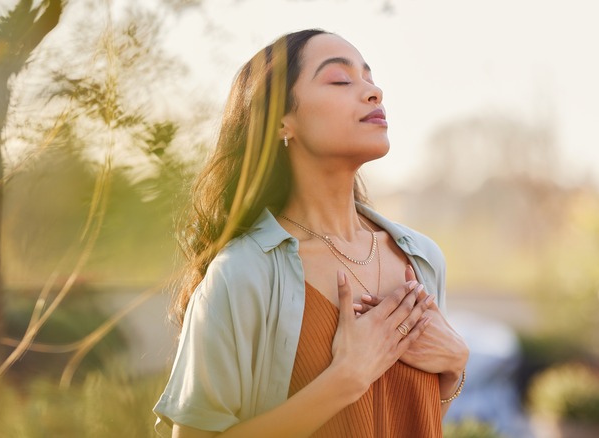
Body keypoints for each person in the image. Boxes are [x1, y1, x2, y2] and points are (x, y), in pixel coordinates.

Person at [153, 28, 469, 438]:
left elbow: (413, 416)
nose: (374, 92)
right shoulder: (242, 274)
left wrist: (455, 368)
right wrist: (345, 380)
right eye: (341, 80)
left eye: (370, 78)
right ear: (283, 122)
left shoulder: (423, 258)